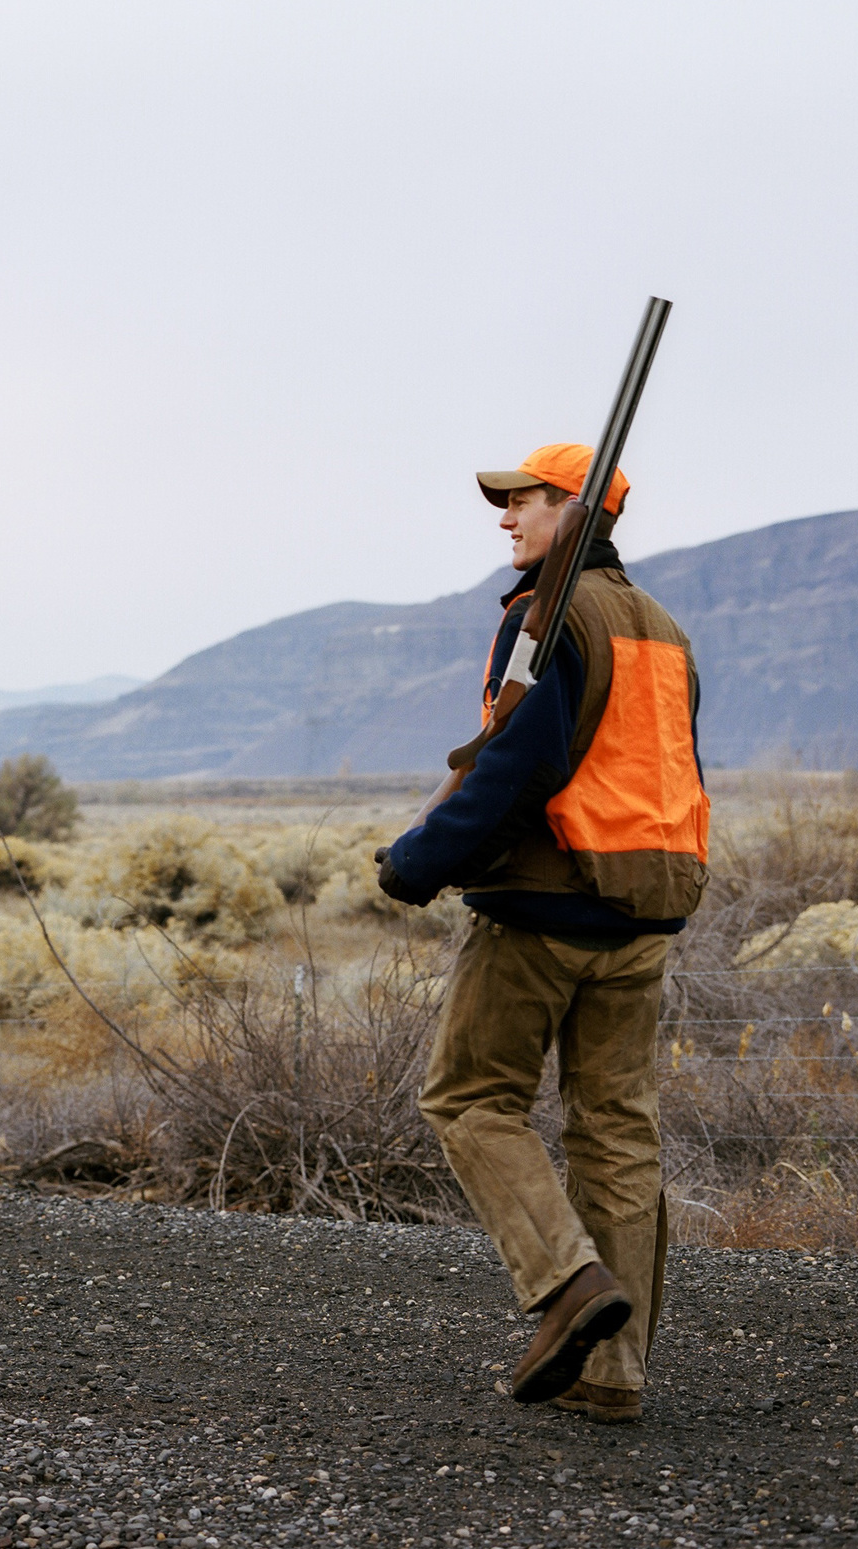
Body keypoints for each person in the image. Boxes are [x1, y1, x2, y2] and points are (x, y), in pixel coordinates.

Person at [377, 443, 709, 1425]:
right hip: (644, 907)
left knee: (469, 1097)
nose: (503, 518)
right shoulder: (664, 630)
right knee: (615, 1129)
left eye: (519, 501)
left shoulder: (547, 617)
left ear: (571, 508)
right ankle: (612, 1375)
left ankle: (565, 1283)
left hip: (542, 906)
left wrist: (416, 861)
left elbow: (516, 765)